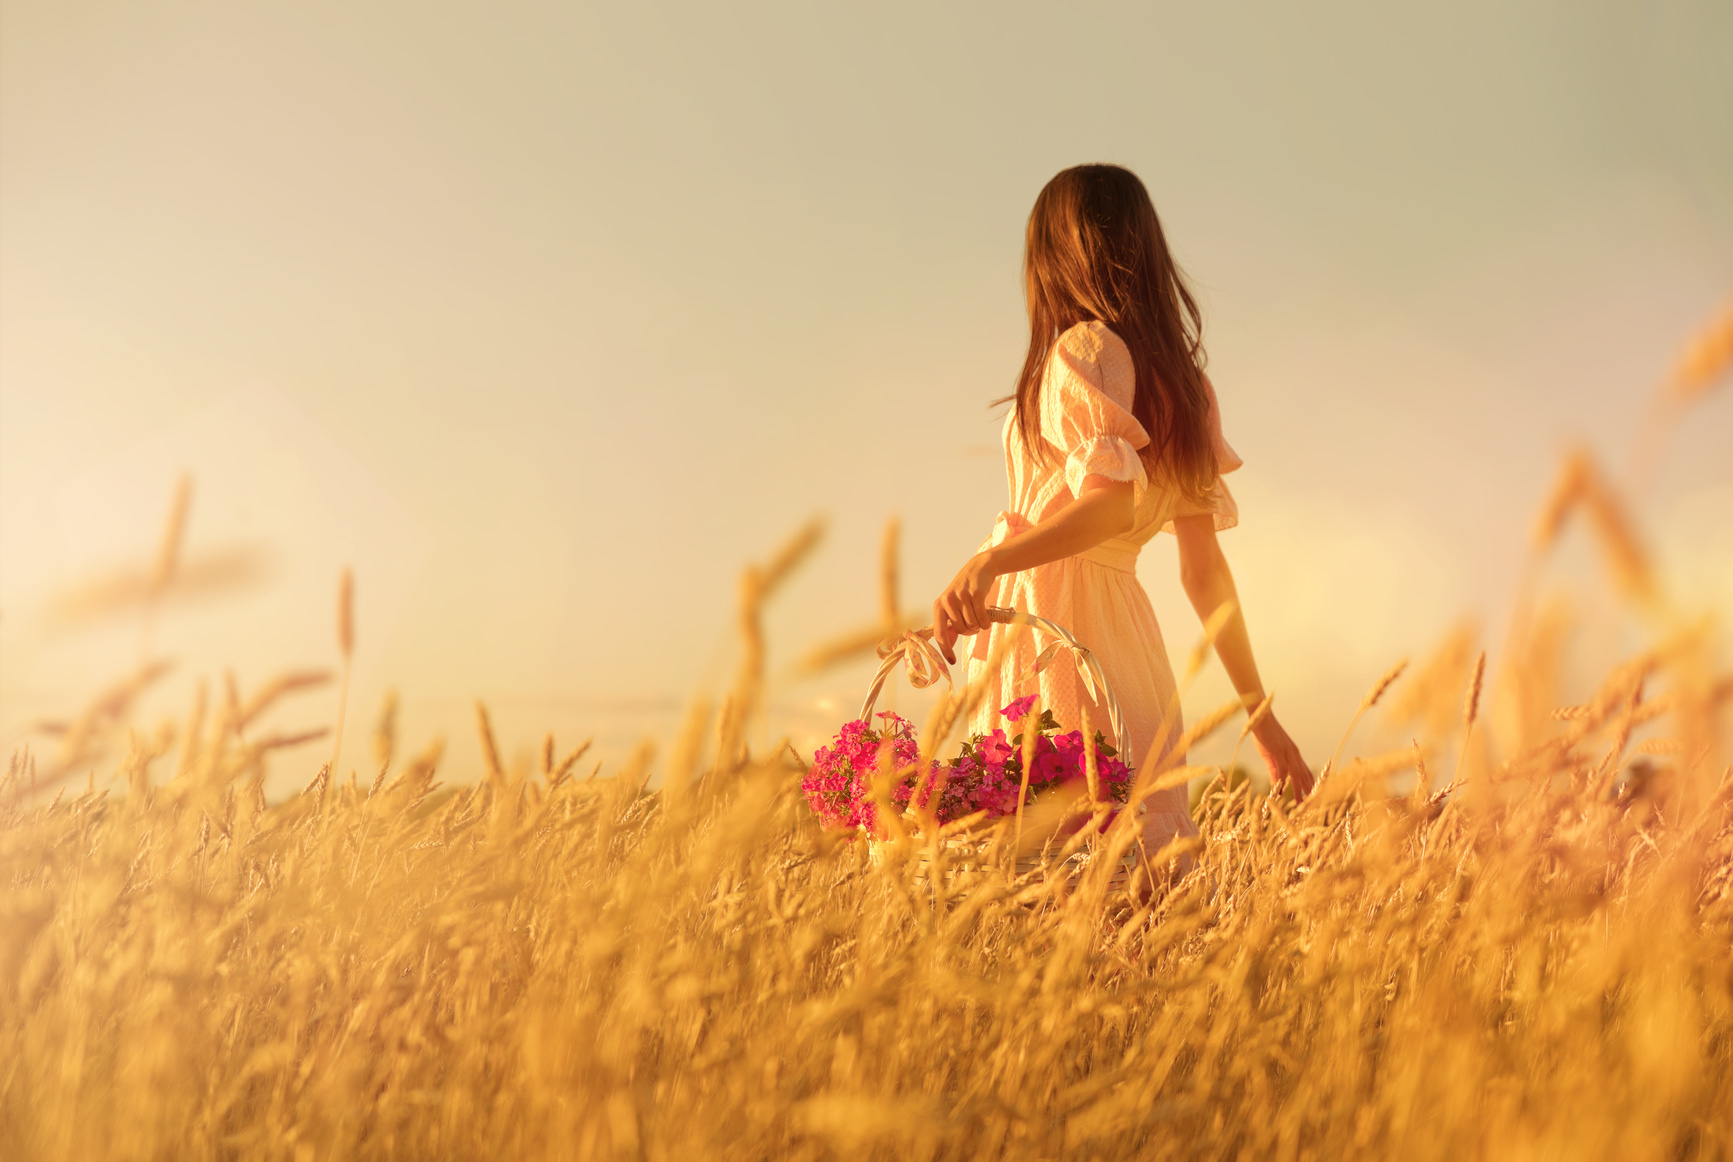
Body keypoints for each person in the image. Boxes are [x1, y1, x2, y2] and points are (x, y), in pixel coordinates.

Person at [930, 163, 1315, 873]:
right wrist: (1261, 718)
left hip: (1059, 636)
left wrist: (989, 563)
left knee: (1043, 872)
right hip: (1129, 645)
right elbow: (1204, 575)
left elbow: (1103, 506)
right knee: (1133, 877)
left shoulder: (1082, 351)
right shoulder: (1188, 389)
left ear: (1051, 254)